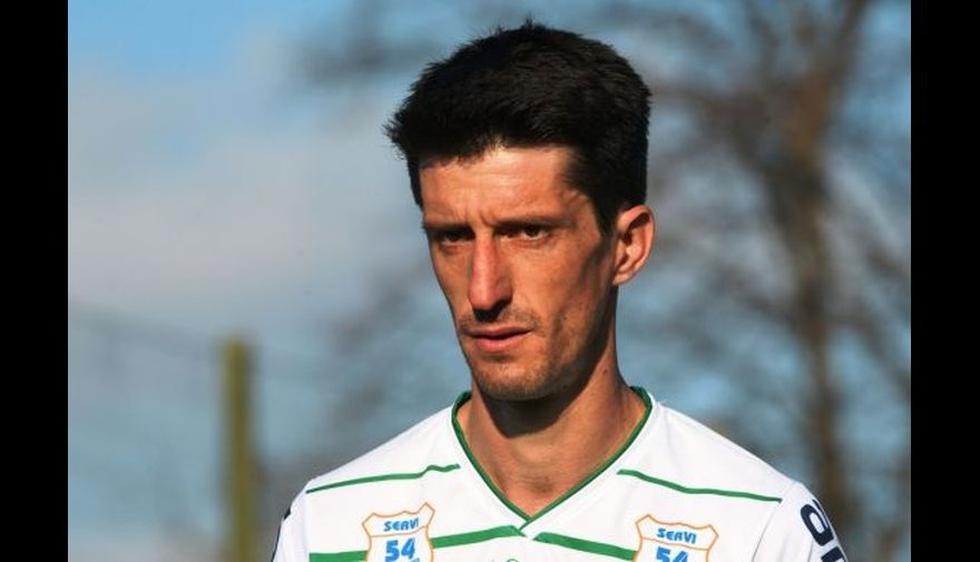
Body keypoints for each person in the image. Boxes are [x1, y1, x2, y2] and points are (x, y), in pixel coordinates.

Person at [271, 21, 847, 562]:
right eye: (452, 237)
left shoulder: (757, 531)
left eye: (528, 232)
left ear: (627, 246)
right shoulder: (331, 528)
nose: (483, 288)